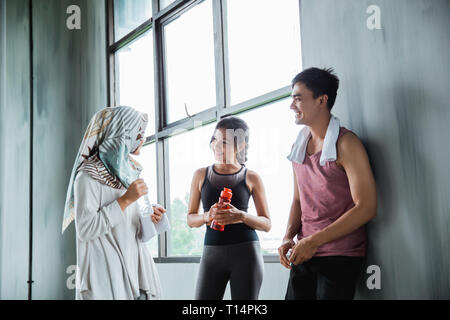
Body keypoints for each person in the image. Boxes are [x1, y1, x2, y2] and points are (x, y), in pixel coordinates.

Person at [279, 67, 377, 300]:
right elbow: (297, 199)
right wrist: (287, 237)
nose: (292, 105)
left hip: (339, 256)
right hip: (304, 253)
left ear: (322, 100)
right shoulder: (299, 146)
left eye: (298, 98)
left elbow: (366, 207)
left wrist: (313, 241)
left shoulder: (347, 144)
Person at [62, 106, 166, 300]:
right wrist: (126, 199)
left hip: (135, 270)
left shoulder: (129, 172)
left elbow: (130, 226)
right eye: (139, 132)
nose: (142, 137)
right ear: (121, 134)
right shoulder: (87, 177)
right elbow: (85, 229)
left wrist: (151, 215)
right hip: (106, 277)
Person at [187, 116, 271, 300]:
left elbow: (266, 224)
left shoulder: (251, 177)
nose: (216, 146)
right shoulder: (201, 175)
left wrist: (241, 216)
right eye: (215, 139)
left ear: (240, 146)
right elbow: (190, 219)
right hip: (211, 254)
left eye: (223, 142)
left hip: (246, 254)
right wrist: (207, 216)